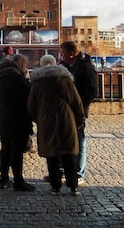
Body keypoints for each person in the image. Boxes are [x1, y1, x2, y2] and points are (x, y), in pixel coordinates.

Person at [28, 54, 85, 195]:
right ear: (55, 63)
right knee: (68, 154)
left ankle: (55, 186)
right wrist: (79, 119)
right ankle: (73, 186)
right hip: (66, 119)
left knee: (51, 155)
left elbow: (31, 106)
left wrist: (39, 119)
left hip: (46, 120)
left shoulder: (37, 83)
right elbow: (77, 102)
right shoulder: (66, 80)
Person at [0, 53, 35, 192]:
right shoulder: (16, 78)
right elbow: (27, 93)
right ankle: (18, 180)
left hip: (3, 114)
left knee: (5, 147)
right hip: (17, 115)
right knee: (17, 149)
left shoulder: (0, 77)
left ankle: (4, 178)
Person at [59, 41, 98, 181]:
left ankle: (78, 173)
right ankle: (63, 170)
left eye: (63, 53)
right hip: (65, 109)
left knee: (79, 141)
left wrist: (80, 107)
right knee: (63, 141)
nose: (61, 56)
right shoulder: (63, 66)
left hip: (78, 110)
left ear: (71, 53)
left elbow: (92, 90)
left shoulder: (85, 67)